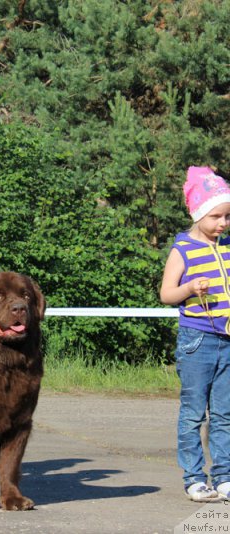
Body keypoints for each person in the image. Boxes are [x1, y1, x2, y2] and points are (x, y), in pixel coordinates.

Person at [160, 166, 230, 502]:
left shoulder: (228, 247)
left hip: (227, 341)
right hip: (197, 341)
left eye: (227, 216)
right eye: (216, 216)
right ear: (199, 212)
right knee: (193, 413)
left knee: (224, 413)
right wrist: (188, 287)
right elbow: (166, 294)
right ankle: (194, 478)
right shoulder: (183, 249)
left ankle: (224, 476)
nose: (223, 223)